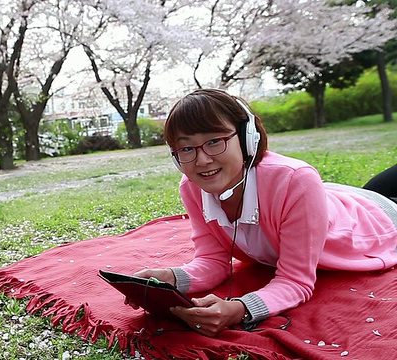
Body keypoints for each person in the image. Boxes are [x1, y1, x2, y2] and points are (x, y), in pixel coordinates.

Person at [127, 89, 397, 337]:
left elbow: (296, 281)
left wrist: (240, 308)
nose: (202, 160)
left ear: (247, 138)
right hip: (334, 199)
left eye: (214, 142)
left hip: (379, 219)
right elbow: (212, 261)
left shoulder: (296, 180)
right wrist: (169, 279)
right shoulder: (192, 188)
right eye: (186, 148)